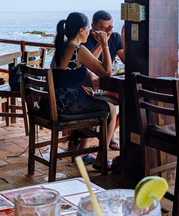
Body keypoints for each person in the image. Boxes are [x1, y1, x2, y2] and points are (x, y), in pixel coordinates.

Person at [51, 12, 116, 167]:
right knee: (111, 109)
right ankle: (100, 159)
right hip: (69, 107)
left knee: (99, 101)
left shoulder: (62, 47)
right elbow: (106, 71)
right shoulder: (78, 49)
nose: (89, 32)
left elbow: (88, 62)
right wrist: (105, 43)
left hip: (54, 104)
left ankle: (83, 149)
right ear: (81, 31)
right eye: (87, 29)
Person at [83, 10, 125, 150]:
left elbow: (126, 60)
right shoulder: (85, 39)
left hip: (106, 87)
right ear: (93, 26)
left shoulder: (115, 37)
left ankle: (110, 134)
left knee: (128, 100)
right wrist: (103, 42)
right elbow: (86, 63)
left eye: (109, 27)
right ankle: (85, 147)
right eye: (102, 28)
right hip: (89, 87)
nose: (106, 31)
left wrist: (124, 40)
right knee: (90, 99)